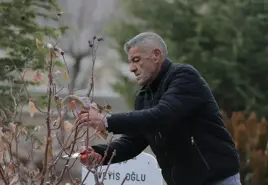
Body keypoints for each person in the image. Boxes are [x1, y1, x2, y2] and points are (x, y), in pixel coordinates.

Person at [77, 32, 241, 185]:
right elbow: (133, 141)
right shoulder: (143, 97)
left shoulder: (184, 77)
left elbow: (161, 116)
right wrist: (99, 154)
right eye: (130, 62)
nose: (131, 68)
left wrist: (106, 121)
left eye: (136, 60)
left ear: (156, 55)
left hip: (217, 180)